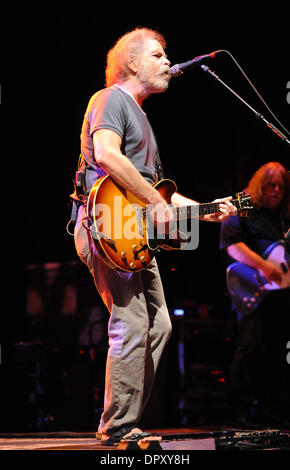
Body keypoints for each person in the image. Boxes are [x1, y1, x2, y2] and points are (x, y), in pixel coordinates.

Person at [72, 27, 237, 446]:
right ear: (131, 63)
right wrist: (154, 201)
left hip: (132, 232)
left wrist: (204, 209)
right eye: (159, 55)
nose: (168, 62)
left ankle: (126, 419)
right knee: (130, 320)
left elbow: (158, 191)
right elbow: (108, 155)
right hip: (107, 224)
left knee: (159, 324)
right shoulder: (110, 99)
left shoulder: (142, 117)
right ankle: (117, 427)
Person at [219, 161, 290, 427]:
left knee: (278, 352)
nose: (275, 191)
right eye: (271, 185)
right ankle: (240, 411)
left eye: (281, 187)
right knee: (250, 349)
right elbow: (231, 244)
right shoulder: (244, 206)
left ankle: (274, 411)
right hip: (252, 288)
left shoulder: (283, 215)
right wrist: (264, 267)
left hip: (281, 294)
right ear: (260, 185)